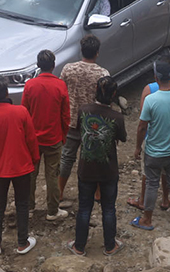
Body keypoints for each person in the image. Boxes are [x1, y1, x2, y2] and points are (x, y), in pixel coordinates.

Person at [0, 77, 39, 256]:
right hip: (22, 167)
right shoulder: (21, 112)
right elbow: (31, 139)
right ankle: (22, 242)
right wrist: (34, 159)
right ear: (7, 92)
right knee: (22, 204)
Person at [68, 76, 126, 257]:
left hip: (86, 169)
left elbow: (78, 130)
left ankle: (79, 246)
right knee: (108, 208)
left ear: (95, 91)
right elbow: (123, 137)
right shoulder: (116, 117)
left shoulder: (84, 110)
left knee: (84, 208)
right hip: (108, 170)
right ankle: (110, 246)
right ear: (114, 94)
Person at [131, 61, 170, 230]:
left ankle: (147, 219)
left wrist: (137, 147)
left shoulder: (151, 100)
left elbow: (142, 127)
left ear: (156, 77)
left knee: (151, 183)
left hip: (153, 151)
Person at [58, 35, 109, 203]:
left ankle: (59, 191)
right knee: (95, 159)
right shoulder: (102, 73)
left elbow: (61, 92)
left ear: (82, 51)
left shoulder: (68, 69)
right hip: (93, 123)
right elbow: (105, 100)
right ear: (97, 53)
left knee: (67, 158)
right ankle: (97, 193)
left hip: (71, 121)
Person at [22, 50, 70, 221]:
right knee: (52, 174)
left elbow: (24, 113)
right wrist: (63, 135)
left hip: (32, 139)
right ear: (53, 65)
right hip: (53, 138)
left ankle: (28, 208)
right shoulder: (60, 86)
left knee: (30, 174)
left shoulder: (30, 86)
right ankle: (52, 210)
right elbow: (65, 115)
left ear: (38, 65)